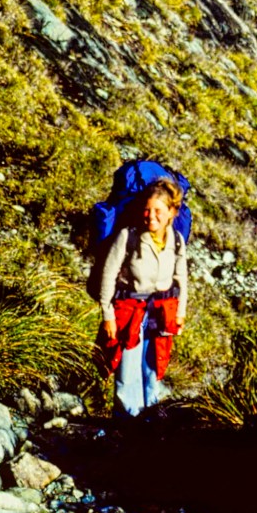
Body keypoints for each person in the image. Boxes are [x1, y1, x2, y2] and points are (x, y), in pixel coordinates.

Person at [98, 177, 187, 416]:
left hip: (161, 312)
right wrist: (108, 315)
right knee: (126, 368)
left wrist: (180, 313)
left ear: (171, 212)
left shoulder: (177, 241)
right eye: (147, 210)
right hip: (129, 310)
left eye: (158, 211)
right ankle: (127, 419)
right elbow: (108, 276)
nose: (151, 216)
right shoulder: (128, 237)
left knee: (153, 366)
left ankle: (150, 416)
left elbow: (181, 279)